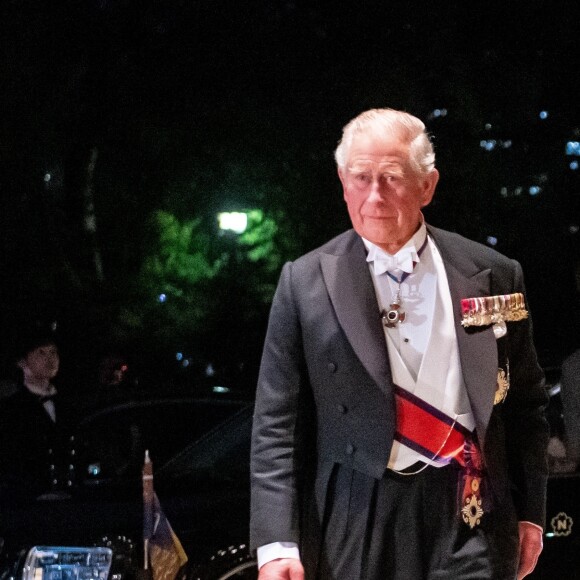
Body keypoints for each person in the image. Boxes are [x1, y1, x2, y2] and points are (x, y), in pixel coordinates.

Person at [250, 108, 549, 580]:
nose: (374, 196)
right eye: (361, 178)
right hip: (355, 512)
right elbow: (275, 426)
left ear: (427, 186)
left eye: (390, 179)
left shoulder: (493, 272)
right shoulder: (303, 282)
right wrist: (276, 543)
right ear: (342, 182)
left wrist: (532, 510)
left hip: (469, 507)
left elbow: (527, 407)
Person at [0, 330, 77, 500]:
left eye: (53, 352)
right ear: (22, 362)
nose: (50, 359)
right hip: (30, 503)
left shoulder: (67, 403)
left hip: (70, 499)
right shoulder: (11, 409)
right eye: (41, 353)